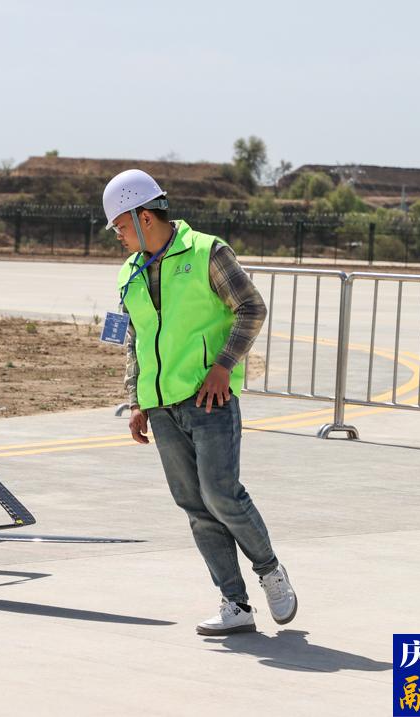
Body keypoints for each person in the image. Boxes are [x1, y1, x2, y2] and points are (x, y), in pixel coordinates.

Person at [104, 169, 297, 636]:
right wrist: (136, 400)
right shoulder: (129, 274)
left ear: (144, 216)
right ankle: (235, 604)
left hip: (209, 398)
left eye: (121, 226)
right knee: (194, 504)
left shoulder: (207, 252)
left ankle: (270, 570)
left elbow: (251, 307)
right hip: (161, 406)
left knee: (221, 494)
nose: (118, 237)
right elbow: (132, 339)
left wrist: (223, 365)